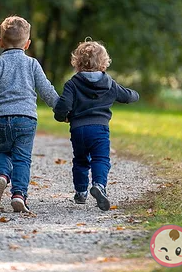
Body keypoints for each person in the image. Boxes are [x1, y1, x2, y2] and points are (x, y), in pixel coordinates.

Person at [0, 16, 59, 212]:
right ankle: (18, 195)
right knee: (22, 158)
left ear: (0, 42)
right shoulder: (32, 64)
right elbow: (46, 89)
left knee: (3, 152)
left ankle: (1, 176)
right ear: (28, 44)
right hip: (26, 119)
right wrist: (61, 109)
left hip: (1, 119)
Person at [53, 39, 139, 210]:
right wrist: (136, 94)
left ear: (77, 63)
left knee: (80, 160)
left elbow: (64, 106)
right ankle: (99, 185)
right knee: (100, 159)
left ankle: (81, 192)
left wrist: (61, 117)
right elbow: (127, 96)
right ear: (104, 63)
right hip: (100, 130)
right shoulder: (109, 84)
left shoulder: (72, 83)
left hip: (78, 130)